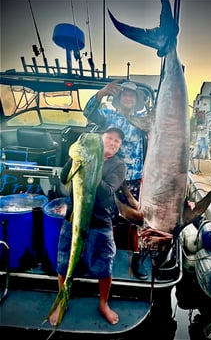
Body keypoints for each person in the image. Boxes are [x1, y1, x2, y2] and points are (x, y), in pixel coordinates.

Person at [50, 127, 126, 326]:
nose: (112, 142)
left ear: (119, 147)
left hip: (101, 223)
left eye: (117, 141)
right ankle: (62, 300)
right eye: (109, 138)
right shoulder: (82, 157)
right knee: (64, 262)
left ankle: (103, 303)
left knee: (104, 266)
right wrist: (76, 158)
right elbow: (64, 177)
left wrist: (93, 167)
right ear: (101, 139)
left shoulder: (118, 166)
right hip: (73, 219)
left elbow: (107, 192)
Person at [84, 80, 148, 280]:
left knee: (136, 221)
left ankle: (137, 258)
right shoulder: (108, 116)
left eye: (132, 96)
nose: (128, 98)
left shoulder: (144, 120)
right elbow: (89, 113)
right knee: (106, 218)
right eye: (125, 95)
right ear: (119, 98)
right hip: (110, 177)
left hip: (134, 178)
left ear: (136, 100)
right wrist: (100, 94)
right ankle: (102, 256)